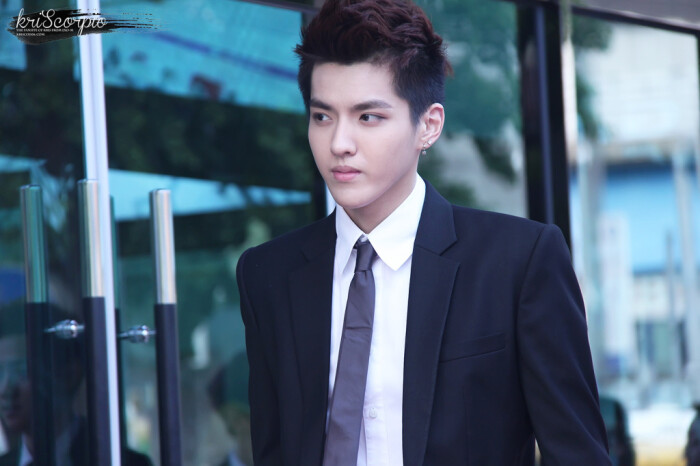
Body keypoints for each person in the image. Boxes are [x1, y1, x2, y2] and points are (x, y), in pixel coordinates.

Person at [236, 0, 611, 464]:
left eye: (368, 117)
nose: (339, 143)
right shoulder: (268, 275)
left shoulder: (517, 262)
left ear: (428, 126)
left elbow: (577, 453)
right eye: (322, 116)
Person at [0, 301, 152, 466]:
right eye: (0, 373)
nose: (5, 390)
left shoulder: (121, 461)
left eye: (22, 371)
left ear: (69, 375)